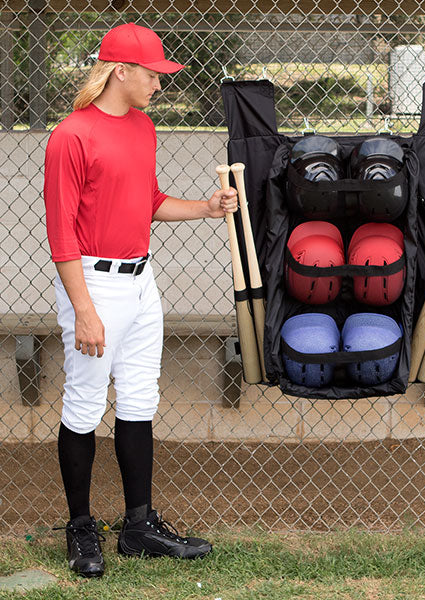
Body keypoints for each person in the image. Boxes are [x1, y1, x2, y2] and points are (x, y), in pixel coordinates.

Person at [43, 22, 238, 578]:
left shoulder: (143, 128)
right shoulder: (71, 135)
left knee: (138, 399)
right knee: (83, 401)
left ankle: (138, 526)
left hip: (139, 280)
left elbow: (148, 201)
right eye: (153, 74)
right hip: (93, 283)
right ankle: (81, 529)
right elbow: (61, 232)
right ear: (120, 71)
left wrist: (205, 207)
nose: (159, 83)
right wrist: (83, 307)